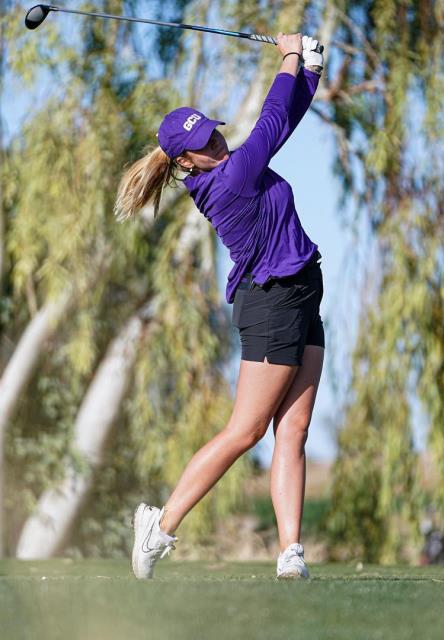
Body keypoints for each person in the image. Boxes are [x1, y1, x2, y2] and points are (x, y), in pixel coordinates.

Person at [114, 32, 325, 580]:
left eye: (214, 133)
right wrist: (288, 57)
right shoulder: (230, 178)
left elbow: (285, 122)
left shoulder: (230, 165)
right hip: (271, 302)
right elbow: (274, 121)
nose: (217, 144)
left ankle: (290, 553)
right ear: (188, 160)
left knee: (294, 430)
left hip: (301, 293)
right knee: (245, 431)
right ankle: (160, 529)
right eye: (205, 143)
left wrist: (311, 72)